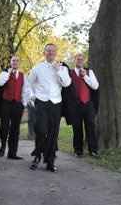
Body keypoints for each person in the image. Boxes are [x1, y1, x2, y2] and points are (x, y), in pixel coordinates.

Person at [28, 43, 71, 172]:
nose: (50, 53)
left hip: (56, 103)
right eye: (48, 51)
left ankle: (50, 161)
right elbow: (28, 84)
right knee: (41, 130)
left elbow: (67, 83)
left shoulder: (62, 68)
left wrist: (58, 71)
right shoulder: (37, 68)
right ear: (44, 53)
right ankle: (37, 155)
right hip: (41, 102)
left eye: (53, 51)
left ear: (56, 53)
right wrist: (32, 97)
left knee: (53, 133)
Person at [0, 56, 30, 159]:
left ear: (19, 63)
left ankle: (12, 153)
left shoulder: (23, 75)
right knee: (4, 127)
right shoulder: (5, 73)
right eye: (13, 61)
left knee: (15, 129)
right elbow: (0, 82)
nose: (15, 62)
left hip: (17, 104)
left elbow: (26, 90)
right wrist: (8, 73)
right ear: (10, 62)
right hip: (6, 103)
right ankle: (3, 145)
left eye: (17, 61)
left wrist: (24, 103)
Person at [69, 53, 99, 157]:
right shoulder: (70, 73)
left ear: (84, 61)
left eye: (81, 59)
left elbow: (95, 86)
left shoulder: (89, 72)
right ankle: (78, 150)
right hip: (75, 105)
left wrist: (85, 76)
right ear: (75, 60)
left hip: (88, 104)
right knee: (77, 129)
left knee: (91, 126)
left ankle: (93, 150)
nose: (80, 61)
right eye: (78, 59)